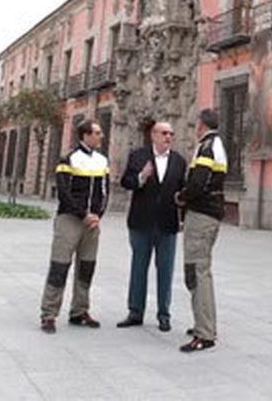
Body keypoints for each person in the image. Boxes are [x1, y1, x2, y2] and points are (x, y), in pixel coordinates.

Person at [39, 120, 109, 334]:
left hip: (92, 223)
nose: (101, 136)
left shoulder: (102, 160)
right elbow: (64, 192)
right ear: (85, 135)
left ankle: (79, 311)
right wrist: (83, 214)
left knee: (87, 267)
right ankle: (49, 315)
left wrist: (97, 215)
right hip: (69, 220)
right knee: (60, 266)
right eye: (97, 133)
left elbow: (105, 192)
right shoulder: (68, 159)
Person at [116, 120, 187, 332]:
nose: (168, 137)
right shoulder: (138, 156)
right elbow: (125, 182)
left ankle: (164, 314)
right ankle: (135, 312)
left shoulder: (179, 161)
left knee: (165, 271)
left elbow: (182, 191)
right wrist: (141, 177)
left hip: (167, 224)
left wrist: (181, 217)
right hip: (141, 222)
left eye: (171, 134)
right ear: (153, 135)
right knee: (139, 267)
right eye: (164, 133)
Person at [177, 108, 227, 353]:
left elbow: (198, 183)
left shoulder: (208, 147)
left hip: (202, 215)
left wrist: (181, 197)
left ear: (202, 124)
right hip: (209, 214)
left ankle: (205, 334)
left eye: (196, 123)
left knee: (197, 271)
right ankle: (203, 323)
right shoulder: (214, 145)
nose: (194, 126)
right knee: (200, 271)